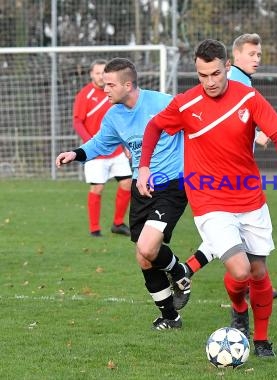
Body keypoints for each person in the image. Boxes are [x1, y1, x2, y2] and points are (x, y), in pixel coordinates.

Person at [137, 39, 277, 357]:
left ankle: (262, 339)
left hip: (250, 198)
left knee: (259, 273)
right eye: (202, 75)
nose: (209, 81)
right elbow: (154, 127)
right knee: (240, 271)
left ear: (227, 67)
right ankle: (239, 309)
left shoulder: (249, 98)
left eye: (214, 73)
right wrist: (143, 168)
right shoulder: (186, 103)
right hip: (209, 200)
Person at [56, 58, 196, 330]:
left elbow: (198, 125)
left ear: (128, 84)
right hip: (140, 188)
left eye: (110, 84)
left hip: (171, 185)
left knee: (147, 247)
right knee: (143, 256)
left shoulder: (164, 103)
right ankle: (171, 318)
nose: (104, 89)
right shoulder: (114, 116)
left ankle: (180, 271)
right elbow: (99, 143)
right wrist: (76, 153)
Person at [174, 33, 277, 300]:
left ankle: (187, 270)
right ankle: (243, 289)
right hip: (217, 176)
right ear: (234, 59)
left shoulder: (242, 82)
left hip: (237, 174)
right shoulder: (233, 80)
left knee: (225, 234)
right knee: (227, 235)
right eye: (251, 54)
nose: (257, 59)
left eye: (259, 54)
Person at [73, 59, 132, 237]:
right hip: (96, 153)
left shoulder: (114, 93)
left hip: (115, 151)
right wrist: (91, 144)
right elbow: (77, 121)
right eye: (97, 73)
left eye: (102, 73)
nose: (100, 76)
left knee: (127, 183)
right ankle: (94, 229)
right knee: (97, 188)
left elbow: (122, 121)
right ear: (91, 74)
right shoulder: (85, 95)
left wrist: (126, 144)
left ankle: (118, 223)